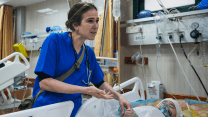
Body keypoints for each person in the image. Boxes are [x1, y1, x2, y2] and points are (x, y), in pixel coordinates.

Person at [32, 2, 132, 117]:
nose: (96, 25)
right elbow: (45, 82)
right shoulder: (54, 41)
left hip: (73, 111)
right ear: (75, 25)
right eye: (90, 21)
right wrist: (87, 90)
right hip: (48, 109)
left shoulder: (88, 53)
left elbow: (100, 83)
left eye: (97, 21)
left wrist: (119, 97)